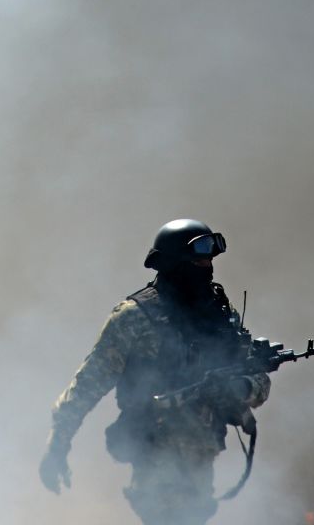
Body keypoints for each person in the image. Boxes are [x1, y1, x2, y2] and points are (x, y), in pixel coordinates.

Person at [39, 219, 271, 525]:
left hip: (203, 458)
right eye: (200, 259)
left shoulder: (218, 314)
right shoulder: (135, 318)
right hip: (155, 460)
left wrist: (242, 388)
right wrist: (58, 442)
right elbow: (88, 384)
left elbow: (258, 378)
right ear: (176, 262)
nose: (208, 265)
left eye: (210, 259)